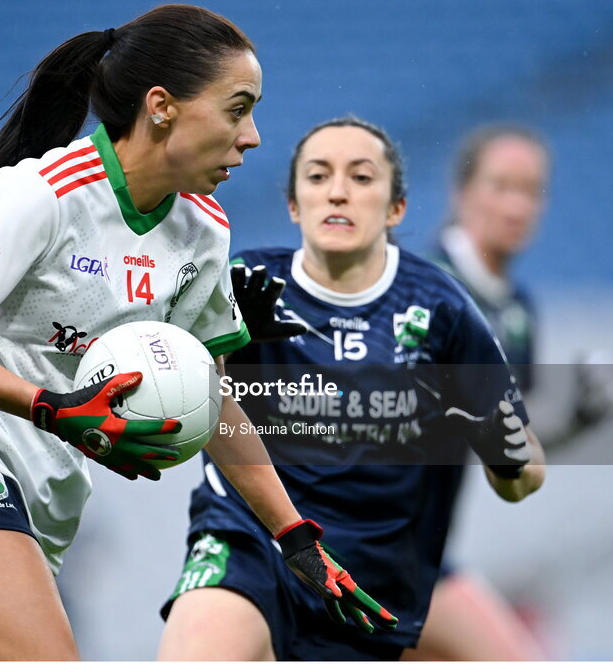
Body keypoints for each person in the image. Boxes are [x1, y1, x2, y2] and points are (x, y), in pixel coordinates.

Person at [0, 7, 394, 661]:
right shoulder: (44, 194)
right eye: (236, 109)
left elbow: (216, 401)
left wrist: (295, 537)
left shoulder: (203, 229)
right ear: (162, 106)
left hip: (41, 505)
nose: (253, 136)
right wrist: (53, 409)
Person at [158, 116, 546, 661]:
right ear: (294, 204)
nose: (337, 191)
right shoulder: (243, 284)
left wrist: (509, 458)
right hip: (255, 543)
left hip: (375, 573)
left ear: (396, 208)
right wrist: (215, 347)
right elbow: (189, 401)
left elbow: (525, 468)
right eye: (317, 177)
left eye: (361, 178)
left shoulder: (444, 308)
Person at [415, 124, 613, 660]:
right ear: (462, 193)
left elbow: (505, 449)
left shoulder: (517, 313)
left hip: (418, 554)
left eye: (531, 190)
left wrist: (577, 418)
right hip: (355, 541)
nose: (517, 204)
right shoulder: (419, 287)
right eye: (501, 185)